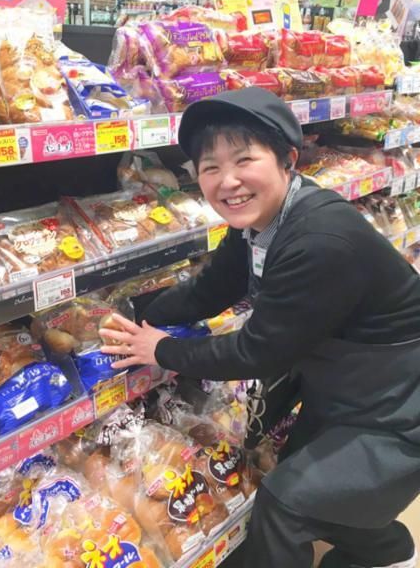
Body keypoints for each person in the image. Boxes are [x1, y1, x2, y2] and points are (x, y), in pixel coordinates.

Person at [99, 87, 420, 568]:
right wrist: (137, 312)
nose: (227, 181)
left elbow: (257, 352)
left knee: (287, 501)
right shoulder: (262, 219)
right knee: (314, 480)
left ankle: (386, 550)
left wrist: (160, 349)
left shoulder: (319, 240)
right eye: (210, 167)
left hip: (399, 398)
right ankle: (389, 551)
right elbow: (213, 288)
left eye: (244, 159)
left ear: (287, 158)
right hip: (351, 382)